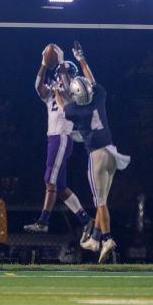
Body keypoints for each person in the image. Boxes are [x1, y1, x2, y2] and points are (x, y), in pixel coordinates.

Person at [55, 43, 130, 263]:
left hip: (96, 156)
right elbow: (92, 81)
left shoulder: (76, 111)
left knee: (100, 203)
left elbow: (62, 103)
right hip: (112, 153)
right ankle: (95, 238)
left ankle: (107, 238)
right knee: (103, 199)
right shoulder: (99, 97)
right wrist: (81, 60)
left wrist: (58, 90)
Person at [24, 44, 94, 243]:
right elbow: (38, 87)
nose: (59, 78)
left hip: (62, 137)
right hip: (52, 138)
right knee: (61, 186)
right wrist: (43, 64)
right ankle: (86, 219)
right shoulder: (54, 91)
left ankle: (43, 221)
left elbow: (65, 83)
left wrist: (62, 61)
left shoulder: (75, 93)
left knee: (50, 178)